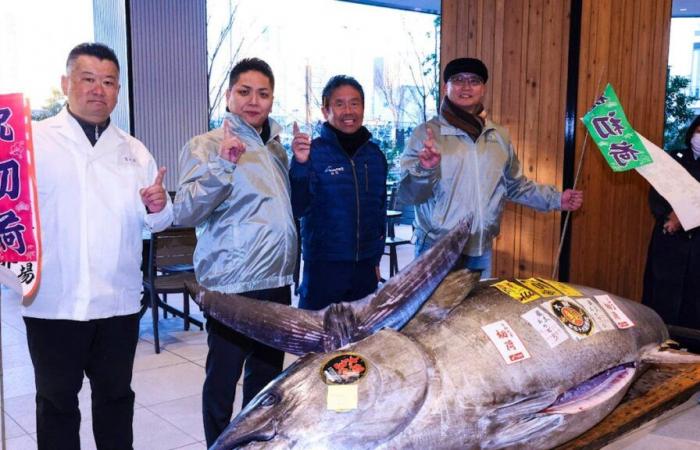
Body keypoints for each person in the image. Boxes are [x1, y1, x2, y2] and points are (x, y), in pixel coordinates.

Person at [23, 42, 172, 449]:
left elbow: (158, 221)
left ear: (118, 91)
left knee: (115, 401)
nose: (98, 90)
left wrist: (159, 206)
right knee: (55, 404)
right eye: (88, 79)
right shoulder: (33, 144)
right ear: (65, 83)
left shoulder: (133, 150)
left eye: (108, 82)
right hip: (53, 303)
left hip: (117, 306)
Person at [173, 58, 297, 447]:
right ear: (229, 96)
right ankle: (218, 444)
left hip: (276, 281)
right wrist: (223, 166)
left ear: (272, 100)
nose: (253, 101)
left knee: (266, 379)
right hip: (230, 284)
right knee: (223, 378)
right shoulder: (205, 145)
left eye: (262, 93)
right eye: (244, 91)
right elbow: (187, 210)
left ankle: (255, 443)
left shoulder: (277, 149)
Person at [398, 57, 583, 278]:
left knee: (478, 311)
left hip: (481, 248)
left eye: (474, 80)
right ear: (446, 87)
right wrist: (425, 169)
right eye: (458, 79)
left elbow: (515, 186)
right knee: (434, 312)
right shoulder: (426, 134)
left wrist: (556, 199)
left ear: (483, 88)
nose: (466, 86)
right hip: (437, 249)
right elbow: (408, 195)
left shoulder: (499, 135)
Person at [290, 75, 387, 311]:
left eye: (354, 103)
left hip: (365, 268)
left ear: (363, 108)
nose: (348, 111)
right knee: (319, 343)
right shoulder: (312, 153)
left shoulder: (374, 156)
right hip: (324, 269)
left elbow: (379, 212)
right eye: (339, 104)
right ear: (325, 110)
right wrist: (300, 165)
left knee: (360, 343)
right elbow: (297, 207)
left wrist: (375, 259)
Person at [642, 115, 700, 332]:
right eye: (699, 132)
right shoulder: (673, 159)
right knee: (661, 295)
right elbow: (656, 194)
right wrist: (670, 217)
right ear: (691, 133)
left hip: (696, 245)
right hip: (669, 241)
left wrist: (683, 217)